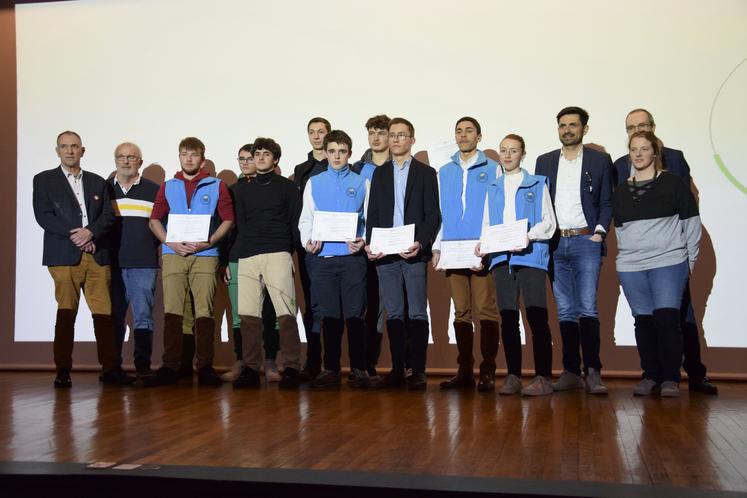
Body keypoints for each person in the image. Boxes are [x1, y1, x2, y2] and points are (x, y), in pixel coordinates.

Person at [612, 108, 717, 395]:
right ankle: (652, 376)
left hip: (670, 263)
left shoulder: (673, 174)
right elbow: (621, 228)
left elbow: (690, 221)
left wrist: (688, 261)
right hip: (632, 266)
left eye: (644, 144)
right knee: (643, 320)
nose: (638, 150)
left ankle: (678, 377)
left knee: (673, 319)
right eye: (633, 144)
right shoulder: (620, 183)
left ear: (654, 145)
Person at [32, 130, 134, 387]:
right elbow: (44, 216)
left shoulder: (99, 182)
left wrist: (91, 233)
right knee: (66, 313)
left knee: (104, 314)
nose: (69, 151)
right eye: (64, 147)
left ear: (82, 151)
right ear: (57, 151)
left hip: (96, 255)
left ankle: (110, 370)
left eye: (74, 146)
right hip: (63, 256)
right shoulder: (43, 180)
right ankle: (63, 371)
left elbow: (107, 217)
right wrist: (76, 235)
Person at [535, 106, 613, 395]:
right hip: (555, 243)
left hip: (585, 241)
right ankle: (570, 371)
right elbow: (539, 204)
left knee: (587, 307)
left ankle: (593, 371)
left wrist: (599, 232)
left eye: (572, 125)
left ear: (584, 129)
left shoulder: (600, 160)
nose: (567, 129)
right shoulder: (544, 162)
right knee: (565, 309)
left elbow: (607, 201)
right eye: (562, 125)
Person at [145, 137, 234, 387]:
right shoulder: (167, 186)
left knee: (204, 312)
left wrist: (210, 242)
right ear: (179, 157)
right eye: (184, 154)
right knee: (173, 311)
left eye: (194, 155)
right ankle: (172, 366)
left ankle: (205, 366)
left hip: (205, 256)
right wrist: (169, 243)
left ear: (202, 159)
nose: (189, 159)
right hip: (173, 254)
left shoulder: (217, 185)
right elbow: (154, 220)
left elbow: (227, 219)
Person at [365, 117, 440, 390]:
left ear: (412, 139)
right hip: (386, 253)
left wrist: (421, 242)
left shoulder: (426, 173)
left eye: (401, 135)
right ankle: (398, 370)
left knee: (418, 313)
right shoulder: (379, 173)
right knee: (394, 313)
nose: (396, 139)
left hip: (413, 252)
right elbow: (372, 214)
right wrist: (372, 244)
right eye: (392, 135)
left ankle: (417, 371)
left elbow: (433, 214)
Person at [479, 134, 557, 396]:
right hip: (502, 259)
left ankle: (543, 377)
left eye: (513, 150)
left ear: (523, 154)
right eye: (503, 150)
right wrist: (483, 245)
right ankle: (513, 375)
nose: (507, 155)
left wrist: (529, 236)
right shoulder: (493, 186)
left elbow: (549, 222)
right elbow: (488, 224)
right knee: (509, 319)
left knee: (536, 318)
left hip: (530, 256)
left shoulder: (537, 183)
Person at [432, 117, 501, 392]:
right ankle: (464, 371)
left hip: (481, 251)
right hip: (452, 251)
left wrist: (488, 245)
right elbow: (440, 213)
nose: (463, 135)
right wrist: (437, 247)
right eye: (459, 131)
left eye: (469, 131)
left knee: (486, 310)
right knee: (461, 311)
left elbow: (495, 211)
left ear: (479, 136)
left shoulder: (493, 169)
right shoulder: (444, 171)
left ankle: (487, 371)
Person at [299, 130, 370, 388]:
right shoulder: (314, 182)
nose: (337, 156)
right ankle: (330, 369)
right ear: (326, 153)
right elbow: (306, 218)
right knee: (329, 316)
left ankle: (359, 369)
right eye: (332, 151)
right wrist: (308, 240)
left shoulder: (362, 182)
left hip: (352, 259)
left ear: (349, 153)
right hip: (323, 258)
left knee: (355, 315)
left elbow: (368, 218)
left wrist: (362, 240)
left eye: (342, 151)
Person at [232, 138, 303, 389]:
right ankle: (251, 368)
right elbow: (238, 226)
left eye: (266, 154)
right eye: (257, 154)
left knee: (285, 314)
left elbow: (295, 224)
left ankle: (292, 368)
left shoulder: (288, 188)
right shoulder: (240, 190)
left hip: (278, 253)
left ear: (276, 160)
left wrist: (286, 251)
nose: (260, 158)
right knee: (249, 315)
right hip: (248, 255)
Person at [220, 144, 281, 383]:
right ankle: (241, 360)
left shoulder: (276, 189)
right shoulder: (232, 191)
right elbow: (225, 228)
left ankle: (270, 361)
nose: (246, 163)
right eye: (242, 159)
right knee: (240, 315)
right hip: (237, 257)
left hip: (270, 256)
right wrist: (224, 261)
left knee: (271, 312)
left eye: (250, 158)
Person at [108, 142, 160, 377]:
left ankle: (142, 369)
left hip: (143, 263)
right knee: (113, 317)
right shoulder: (104, 188)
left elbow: (163, 227)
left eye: (131, 157)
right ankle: (112, 368)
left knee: (143, 317)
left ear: (140, 161)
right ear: (115, 160)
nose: (126, 161)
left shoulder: (154, 190)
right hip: (111, 264)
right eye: (121, 156)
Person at [351, 114, 391, 377]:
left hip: (393, 245)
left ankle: (403, 365)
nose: (376, 138)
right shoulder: (356, 169)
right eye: (371, 133)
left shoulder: (399, 167)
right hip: (363, 249)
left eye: (381, 132)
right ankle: (365, 364)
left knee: (392, 307)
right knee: (367, 306)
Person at [293, 117, 331, 381]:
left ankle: (333, 363)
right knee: (312, 304)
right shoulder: (301, 169)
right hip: (309, 248)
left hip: (338, 246)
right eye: (312, 132)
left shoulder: (341, 165)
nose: (316, 136)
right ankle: (313, 360)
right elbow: (302, 211)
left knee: (336, 307)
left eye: (321, 132)